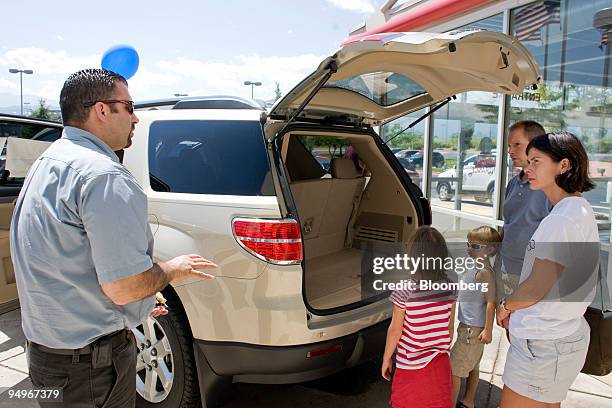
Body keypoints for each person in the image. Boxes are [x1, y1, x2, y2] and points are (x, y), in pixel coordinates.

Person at [10, 69, 217, 407]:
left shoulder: (46, 162)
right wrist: (170, 270)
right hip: (90, 369)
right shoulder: (103, 176)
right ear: (101, 110)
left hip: (47, 357)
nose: (136, 118)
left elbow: (65, 257)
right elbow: (123, 287)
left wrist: (142, 302)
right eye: (129, 106)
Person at [496, 132, 598, 407]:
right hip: (556, 341)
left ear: (563, 165)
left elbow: (537, 288)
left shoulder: (562, 219)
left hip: (543, 347)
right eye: (527, 161)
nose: (527, 169)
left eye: (536, 161)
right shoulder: (578, 209)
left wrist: (506, 305)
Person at [381, 226, 456, 408]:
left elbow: (395, 330)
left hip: (411, 367)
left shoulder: (404, 290)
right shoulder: (451, 287)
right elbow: (449, 328)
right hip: (440, 365)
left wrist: (386, 358)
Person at [496, 120, 551, 299]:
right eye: (509, 146)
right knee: (509, 325)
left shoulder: (550, 187)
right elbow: (509, 223)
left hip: (533, 277)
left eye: (517, 145)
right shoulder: (513, 183)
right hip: (507, 271)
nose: (511, 151)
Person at [451, 226, 500, 408]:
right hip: (469, 328)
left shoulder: (485, 273)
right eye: (468, 243)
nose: (469, 248)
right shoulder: (477, 267)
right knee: (472, 367)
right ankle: (468, 402)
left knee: (454, 369)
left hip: (473, 331)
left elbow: (490, 303)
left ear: (490, 250)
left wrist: (488, 330)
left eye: (475, 246)